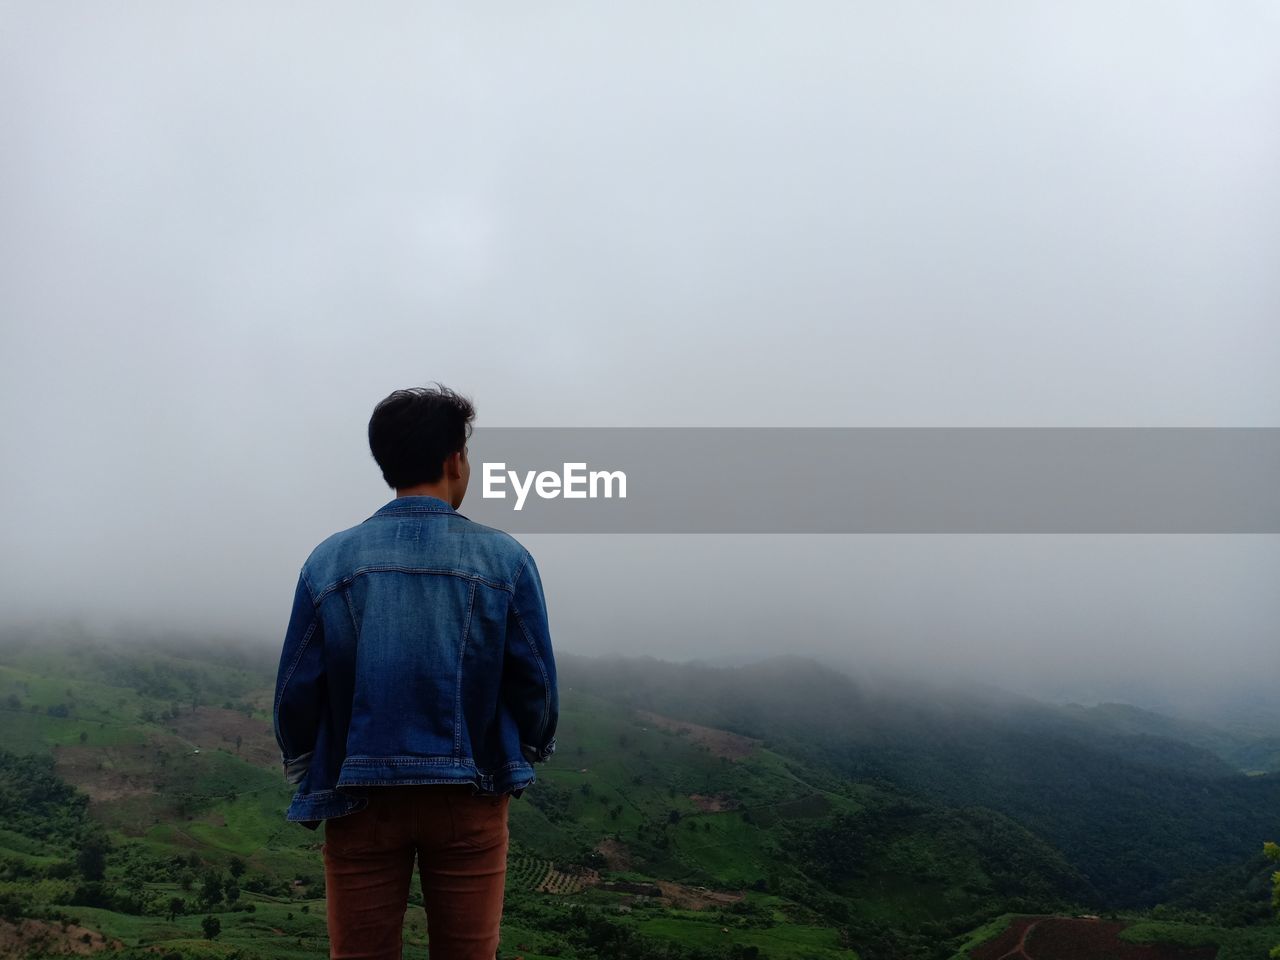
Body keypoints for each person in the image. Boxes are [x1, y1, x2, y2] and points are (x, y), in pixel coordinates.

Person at [272, 383, 559, 960]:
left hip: (359, 798)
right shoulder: (504, 559)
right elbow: (537, 687)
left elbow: (296, 694)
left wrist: (312, 763)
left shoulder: (330, 561)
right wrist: (520, 752)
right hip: (470, 793)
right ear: (456, 459)